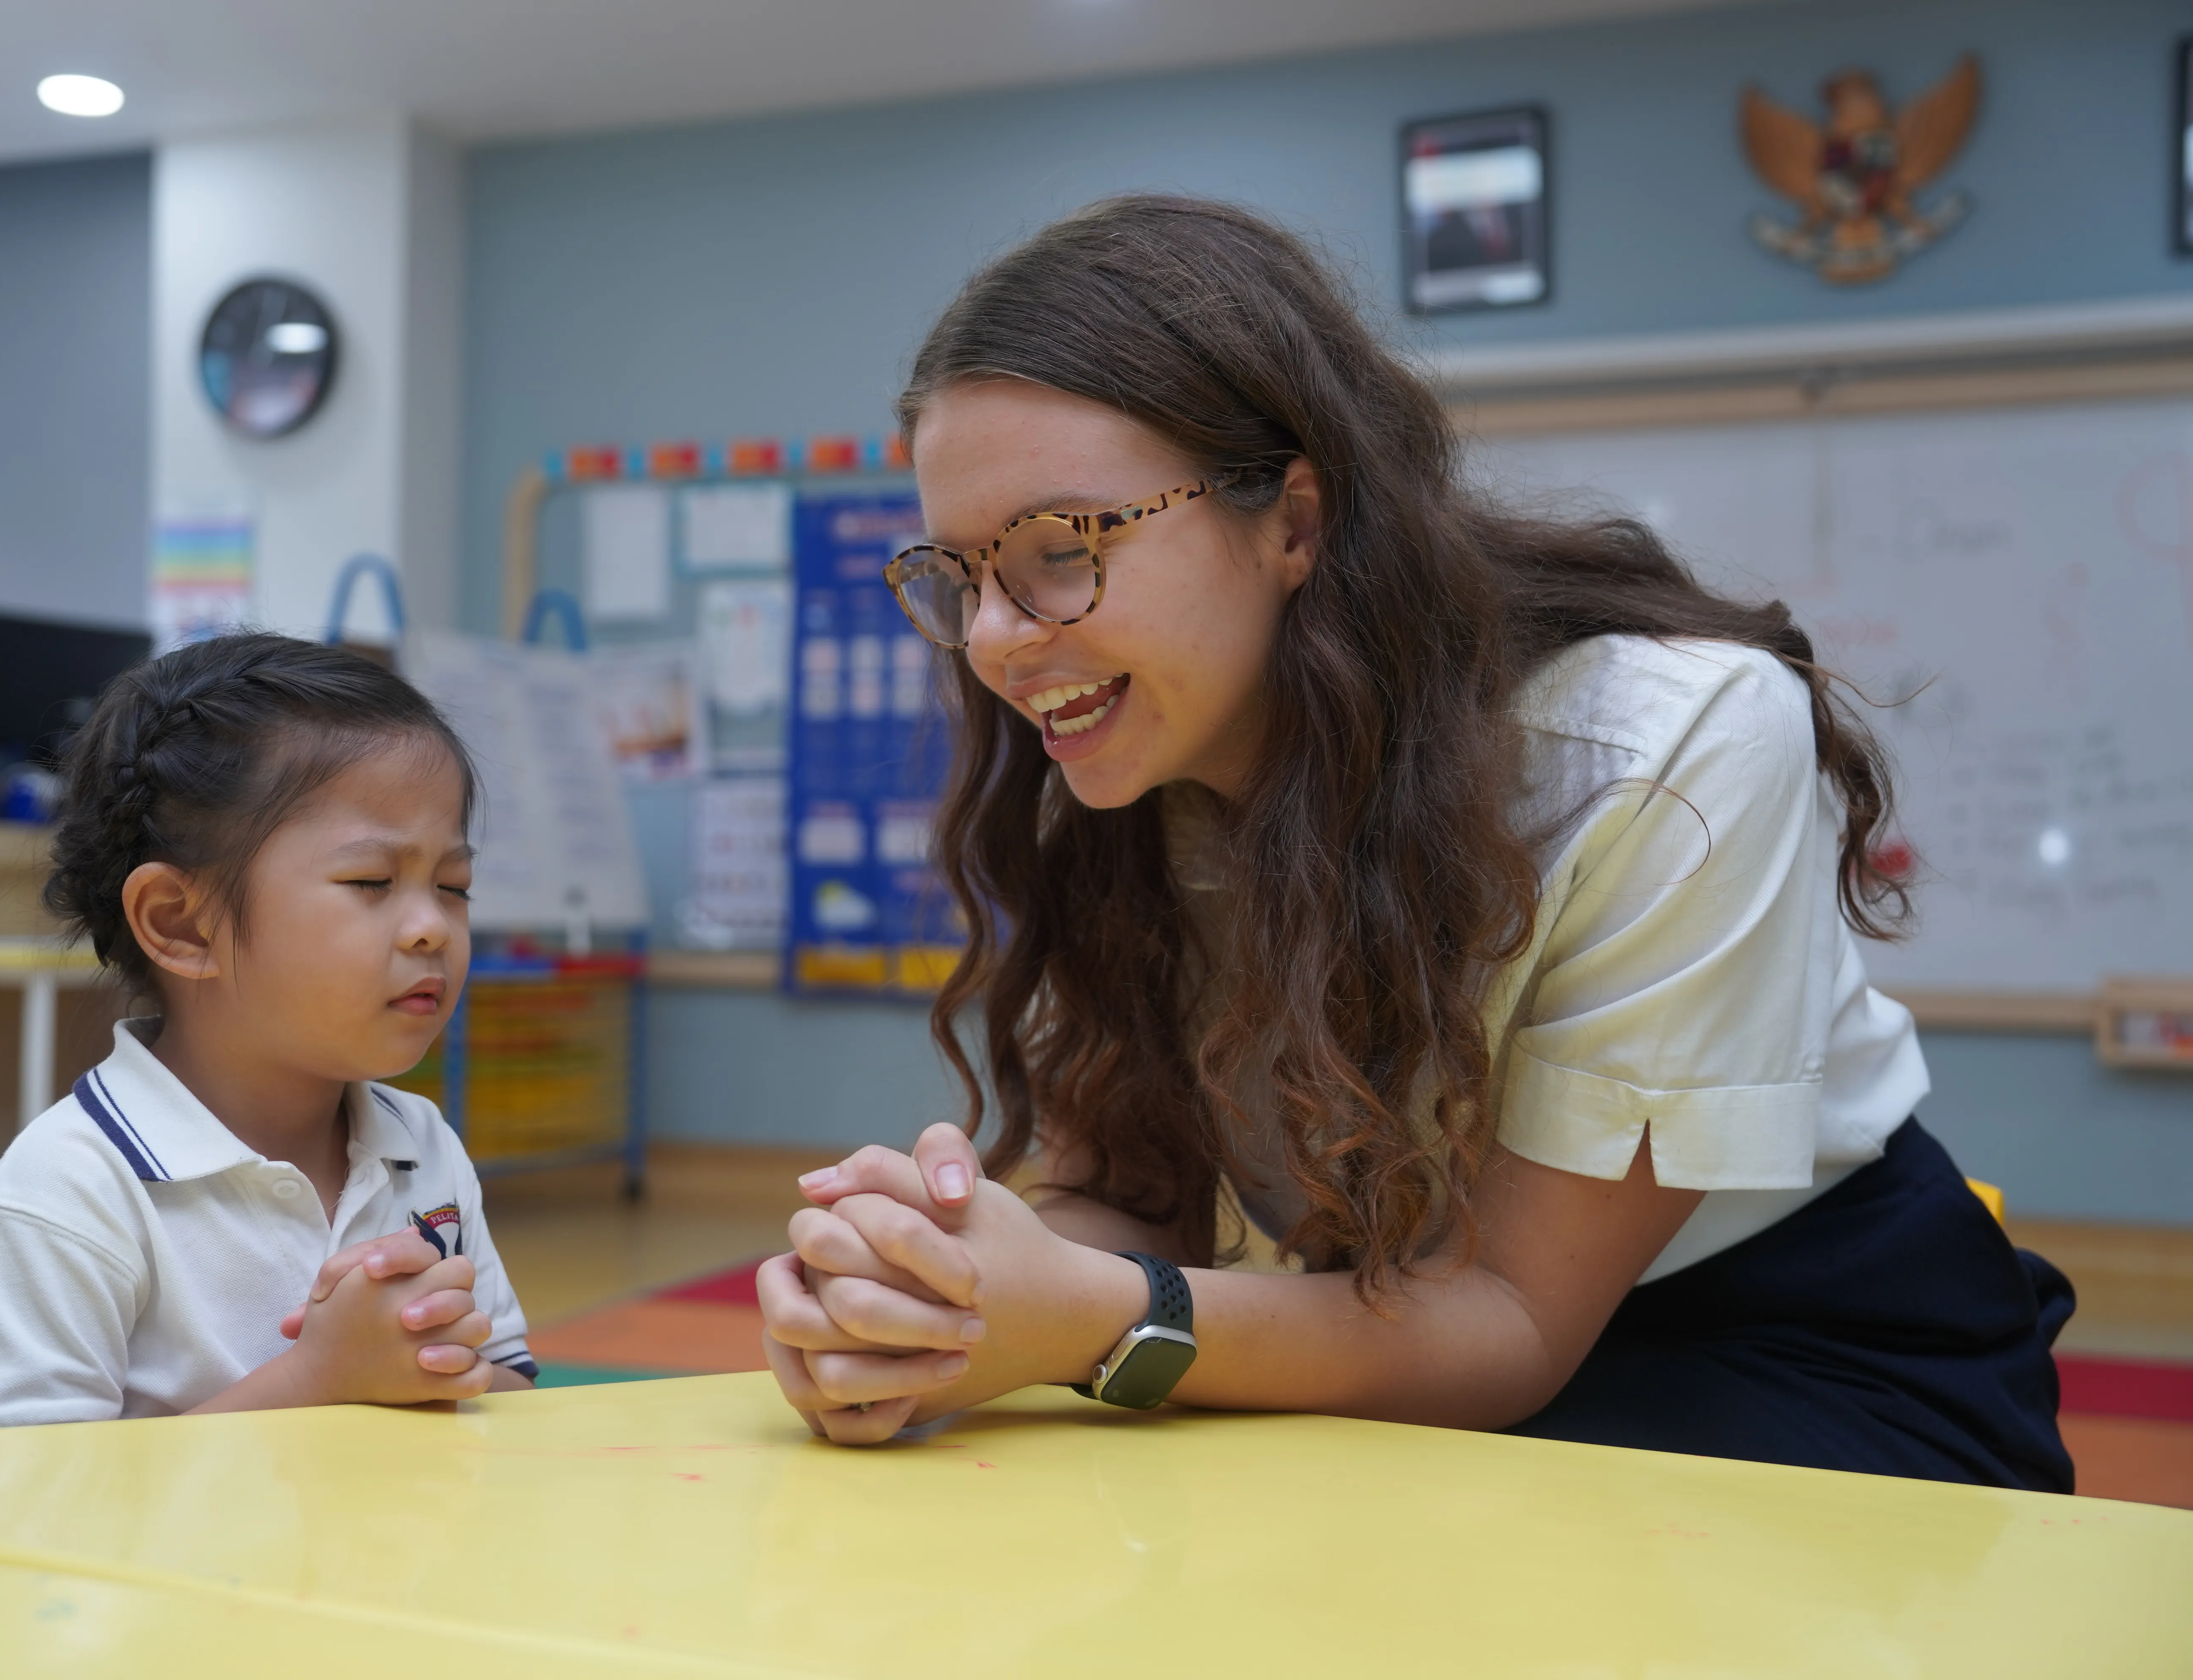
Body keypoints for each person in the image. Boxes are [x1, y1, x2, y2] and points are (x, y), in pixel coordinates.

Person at [757, 196, 2074, 1490]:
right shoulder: (1123, 764)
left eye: (1059, 549)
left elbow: (1511, 1324)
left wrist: (1094, 1318)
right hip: (1386, 1352)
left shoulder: (1673, 746)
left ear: (1295, 521)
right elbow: (1137, 1202)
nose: (992, 639)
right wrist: (943, 1288)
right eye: (957, 574)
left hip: (1785, 1360)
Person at [0, 633, 537, 1428]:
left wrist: (446, 1371)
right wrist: (317, 1381)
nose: (433, 928)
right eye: (371, 882)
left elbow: (518, 1404)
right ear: (182, 925)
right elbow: (27, 1514)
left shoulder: (421, 1146)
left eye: (453, 886)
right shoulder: (67, 1199)